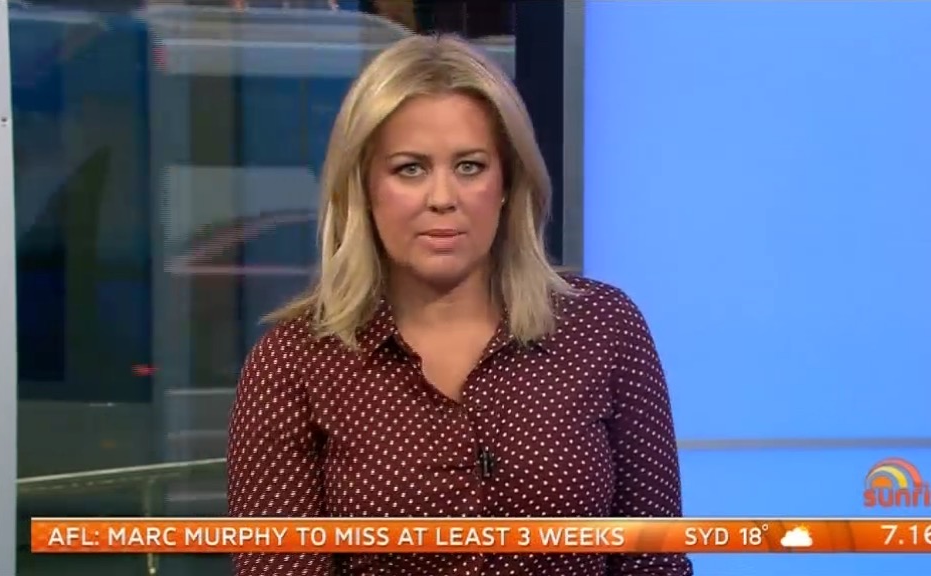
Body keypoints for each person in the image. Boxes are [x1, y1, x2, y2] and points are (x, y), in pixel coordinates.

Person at [226, 34, 693, 576]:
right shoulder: (293, 364)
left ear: (507, 182)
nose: (442, 198)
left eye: (470, 166)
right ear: (364, 188)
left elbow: (653, 559)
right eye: (410, 168)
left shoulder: (603, 327)